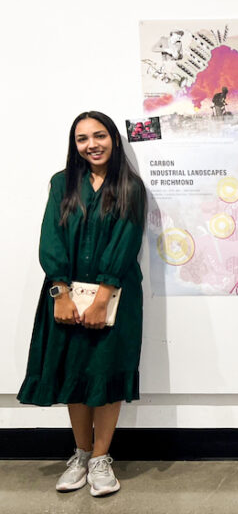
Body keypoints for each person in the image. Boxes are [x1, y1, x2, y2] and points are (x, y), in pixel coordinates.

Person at [18, 111, 147, 497]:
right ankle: (80, 452)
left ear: (114, 139)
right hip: (65, 299)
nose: (92, 144)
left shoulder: (130, 186)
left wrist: (101, 299)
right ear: (74, 146)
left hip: (116, 299)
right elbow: (51, 238)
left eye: (100, 135)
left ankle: (101, 460)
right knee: (74, 374)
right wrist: (61, 293)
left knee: (106, 375)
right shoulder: (62, 184)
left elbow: (126, 243)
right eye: (82, 138)